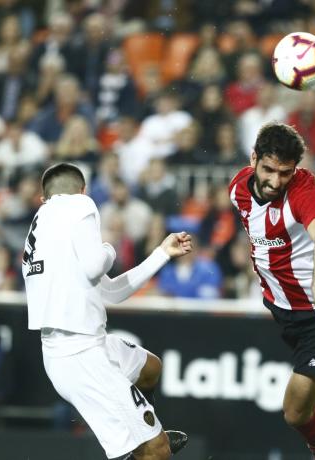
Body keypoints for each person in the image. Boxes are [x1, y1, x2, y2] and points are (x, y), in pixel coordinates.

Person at [22, 163, 190, 460]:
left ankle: (142, 434)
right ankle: (146, 442)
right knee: (157, 451)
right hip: (81, 356)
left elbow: (112, 291)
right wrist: (110, 249)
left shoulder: (45, 231)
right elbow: (94, 265)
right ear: (83, 190)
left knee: (150, 369)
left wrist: (161, 253)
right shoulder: (80, 204)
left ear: (42, 198)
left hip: (72, 349)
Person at [228, 122, 315, 459]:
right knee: (299, 413)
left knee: (295, 412)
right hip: (280, 309)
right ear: (253, 159)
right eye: (269, 170)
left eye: (285, 173)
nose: (275, 181)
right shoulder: (238, 189)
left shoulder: (301, 191)